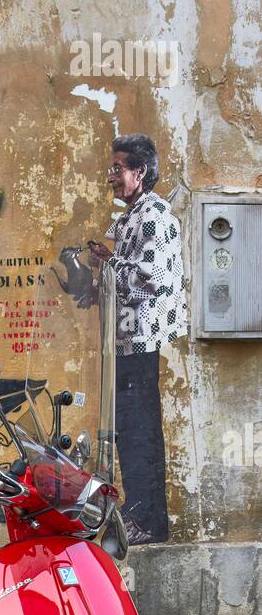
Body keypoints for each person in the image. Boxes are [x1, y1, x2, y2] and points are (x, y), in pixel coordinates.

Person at [88, 134, 187, 544]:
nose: (111, 176)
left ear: (140, 172)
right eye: (111, 168)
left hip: (142, 341)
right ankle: (136, 511)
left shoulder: (154, 216)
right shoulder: (131, 215)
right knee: (127, 427)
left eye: (118, 169)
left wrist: (109, 260)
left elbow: (150, 279)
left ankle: (149, 520)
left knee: (141, 428)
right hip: (124, 339)